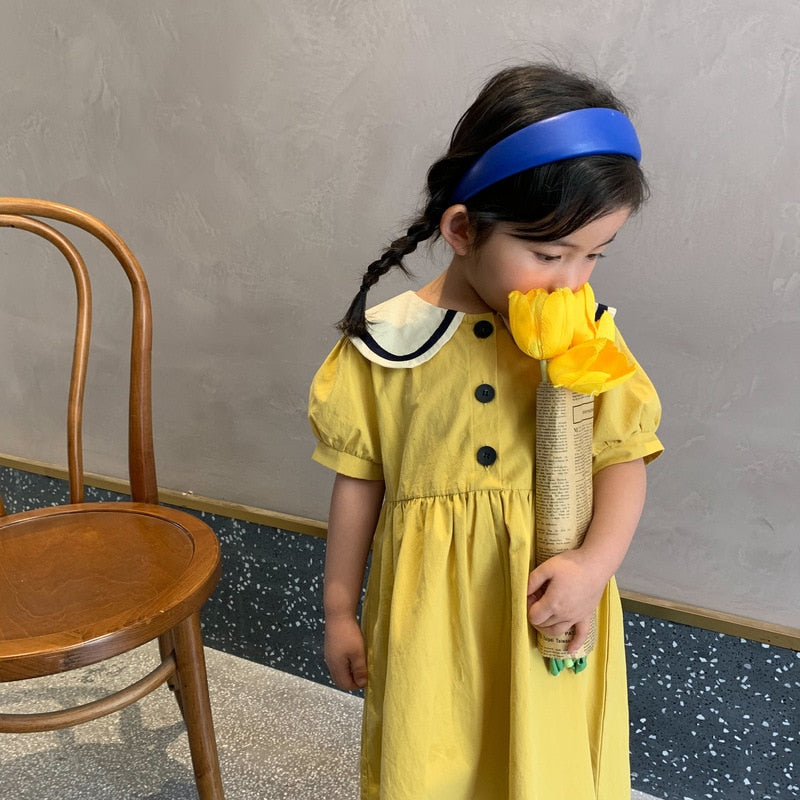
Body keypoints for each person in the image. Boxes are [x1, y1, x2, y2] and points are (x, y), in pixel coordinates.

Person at [308, 62, 663, 800]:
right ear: (464, 229)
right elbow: (358, 483)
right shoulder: (386, 344)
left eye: (594, 254)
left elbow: (622, 460)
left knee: (547, 764)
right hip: (426, 620)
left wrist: (593, 568)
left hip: (547, 601)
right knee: (429, 758)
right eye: (549, 254)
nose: (572, 280)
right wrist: (340, 610)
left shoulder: (589, 335)